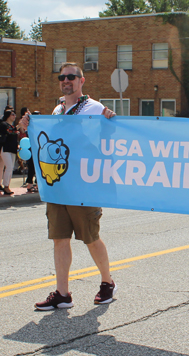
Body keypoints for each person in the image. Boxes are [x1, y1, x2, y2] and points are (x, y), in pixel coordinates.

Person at [20, 62, 117, 310]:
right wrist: (29, 125)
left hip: (84, 187)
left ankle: (107, 282)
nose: (66, 80)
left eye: (72, 77)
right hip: (59, 186)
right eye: (62, 77)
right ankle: (63, 294)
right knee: (59, 238)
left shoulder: (94, 108)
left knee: (90, 237)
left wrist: (111, 121)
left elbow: (111, 137)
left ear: (81, 81)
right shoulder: (56, 110)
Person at [0, 109, 20, 195]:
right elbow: (9, 131)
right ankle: (6, 186)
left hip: (12, 149)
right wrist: (19, 126)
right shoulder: (4, 124)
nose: (14, 116)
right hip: (5, 149)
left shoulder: (12, 126)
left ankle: (6, 185)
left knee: (8, 167)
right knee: (9, 167)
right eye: (12, 114)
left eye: (15, 114)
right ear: (8, 115)